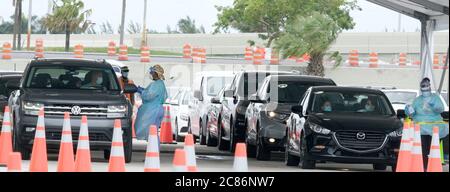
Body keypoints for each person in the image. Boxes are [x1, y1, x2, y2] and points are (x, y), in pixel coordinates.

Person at [405, 77, 449, 169]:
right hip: (420, 129)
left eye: (426, 85)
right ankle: (424, 167)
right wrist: (409, 110)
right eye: (423, 86)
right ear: (421, 88)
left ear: (429, 86)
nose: (425, 88)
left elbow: (440, 109)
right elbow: (412, 114)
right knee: (423, 149)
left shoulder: (435, 98)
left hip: (436, 128)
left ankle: (432, 167)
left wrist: (434, 106)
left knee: (433, 149)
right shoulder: (417, 100)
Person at [134, 65, 168, 141]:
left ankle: (154, 150)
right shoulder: (161, 84)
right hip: (159, 109)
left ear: (156, 74)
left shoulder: (155, 84)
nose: (151, 74)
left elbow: (148, 96)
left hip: (153, 111)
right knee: (154, 132)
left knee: (152, 133)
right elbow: (163, 96)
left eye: (152, 73)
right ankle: (155, 149)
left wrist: (141, 91)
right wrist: (144, 90)